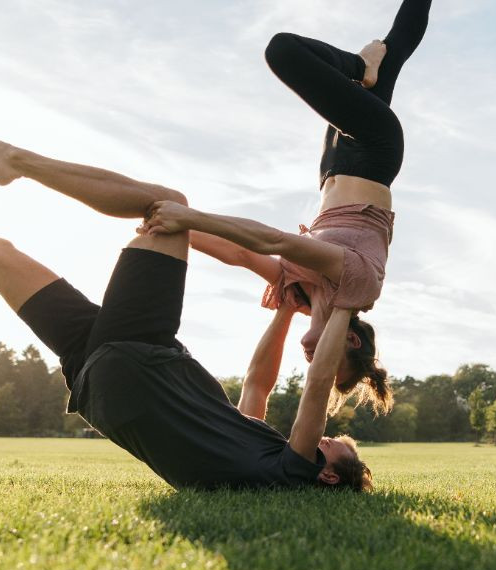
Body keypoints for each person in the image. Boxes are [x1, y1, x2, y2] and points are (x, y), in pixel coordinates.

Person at [0, 98, 371, 491]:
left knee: (165, 204)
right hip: (102, 387)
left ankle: (15, 161)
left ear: (326, 475)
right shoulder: (258, 455)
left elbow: (318, 384)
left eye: (331, 446)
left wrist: (344, 298)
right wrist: (286, 309)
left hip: (143, 357)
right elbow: (256, 385)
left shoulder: (292, 473)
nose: (322, 437)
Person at [145, 0, 431, 421]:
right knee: (283, 51)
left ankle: (366, 64)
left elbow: (242, 254)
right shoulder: (357, 285)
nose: (314, 366)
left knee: (395, 49)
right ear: (349, 344)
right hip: (373, 150)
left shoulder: (297, 293)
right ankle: (358, 62)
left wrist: (160, 224)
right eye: (327, 366)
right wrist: (188, 217)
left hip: (334, 167)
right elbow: (275, 240)